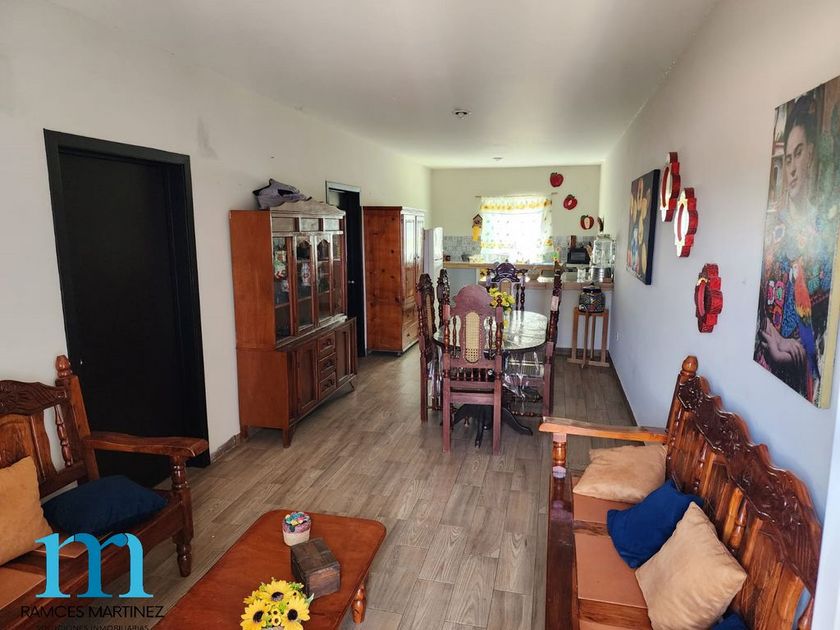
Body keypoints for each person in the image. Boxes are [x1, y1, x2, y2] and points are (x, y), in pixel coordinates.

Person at [755, 91, 835, 402]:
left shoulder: (825, 234)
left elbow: (821, 331)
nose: (791, 168)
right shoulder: (774, 228)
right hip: (766, 362)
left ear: (812, 154)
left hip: (800, 381)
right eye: (787, 158)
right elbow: (763, 302)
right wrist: (773, 336)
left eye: (798, 153)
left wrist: (791, 351)